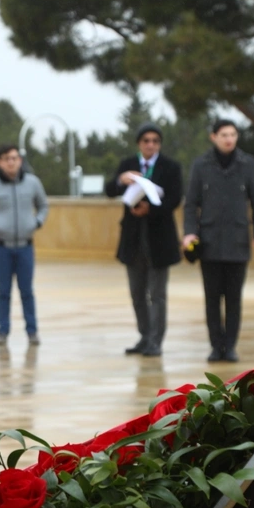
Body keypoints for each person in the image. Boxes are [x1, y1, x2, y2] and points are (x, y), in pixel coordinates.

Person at [182, 119, 254, 363]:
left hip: (238, 241)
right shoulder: (201, 165)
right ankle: (215, 345)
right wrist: (189, 232)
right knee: (212, 299)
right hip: (209, 242)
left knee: (233, 299)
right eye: (224, 135)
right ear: (214, 137)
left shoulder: (248, 164)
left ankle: (230, 346)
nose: (229, 139)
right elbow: (191, 204)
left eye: (233, 134)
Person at [105, 123, 184, 357]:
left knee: (157, 294)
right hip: (133, 238)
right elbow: (109, 190)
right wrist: (121, 181)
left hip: (159, 239)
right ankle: (144, 335)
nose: (151, 145)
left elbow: (175, 199)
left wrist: (150, 209)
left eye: (155, 141)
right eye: (146, 141)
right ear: (139, 143)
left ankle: (156, 341)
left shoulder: (170, 167)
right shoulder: (128, 165)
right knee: (137, 293)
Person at [0, 144, 49, 346]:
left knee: (27, 291)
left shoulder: (33, 183)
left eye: (15, 158)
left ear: (20, 161)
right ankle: (3, 331)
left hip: (26, 247)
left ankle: (32, 331)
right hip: (1, 248)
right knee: (4, 292)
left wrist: (37, 222)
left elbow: (43, 205)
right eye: (7, 158)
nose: (11, 162)